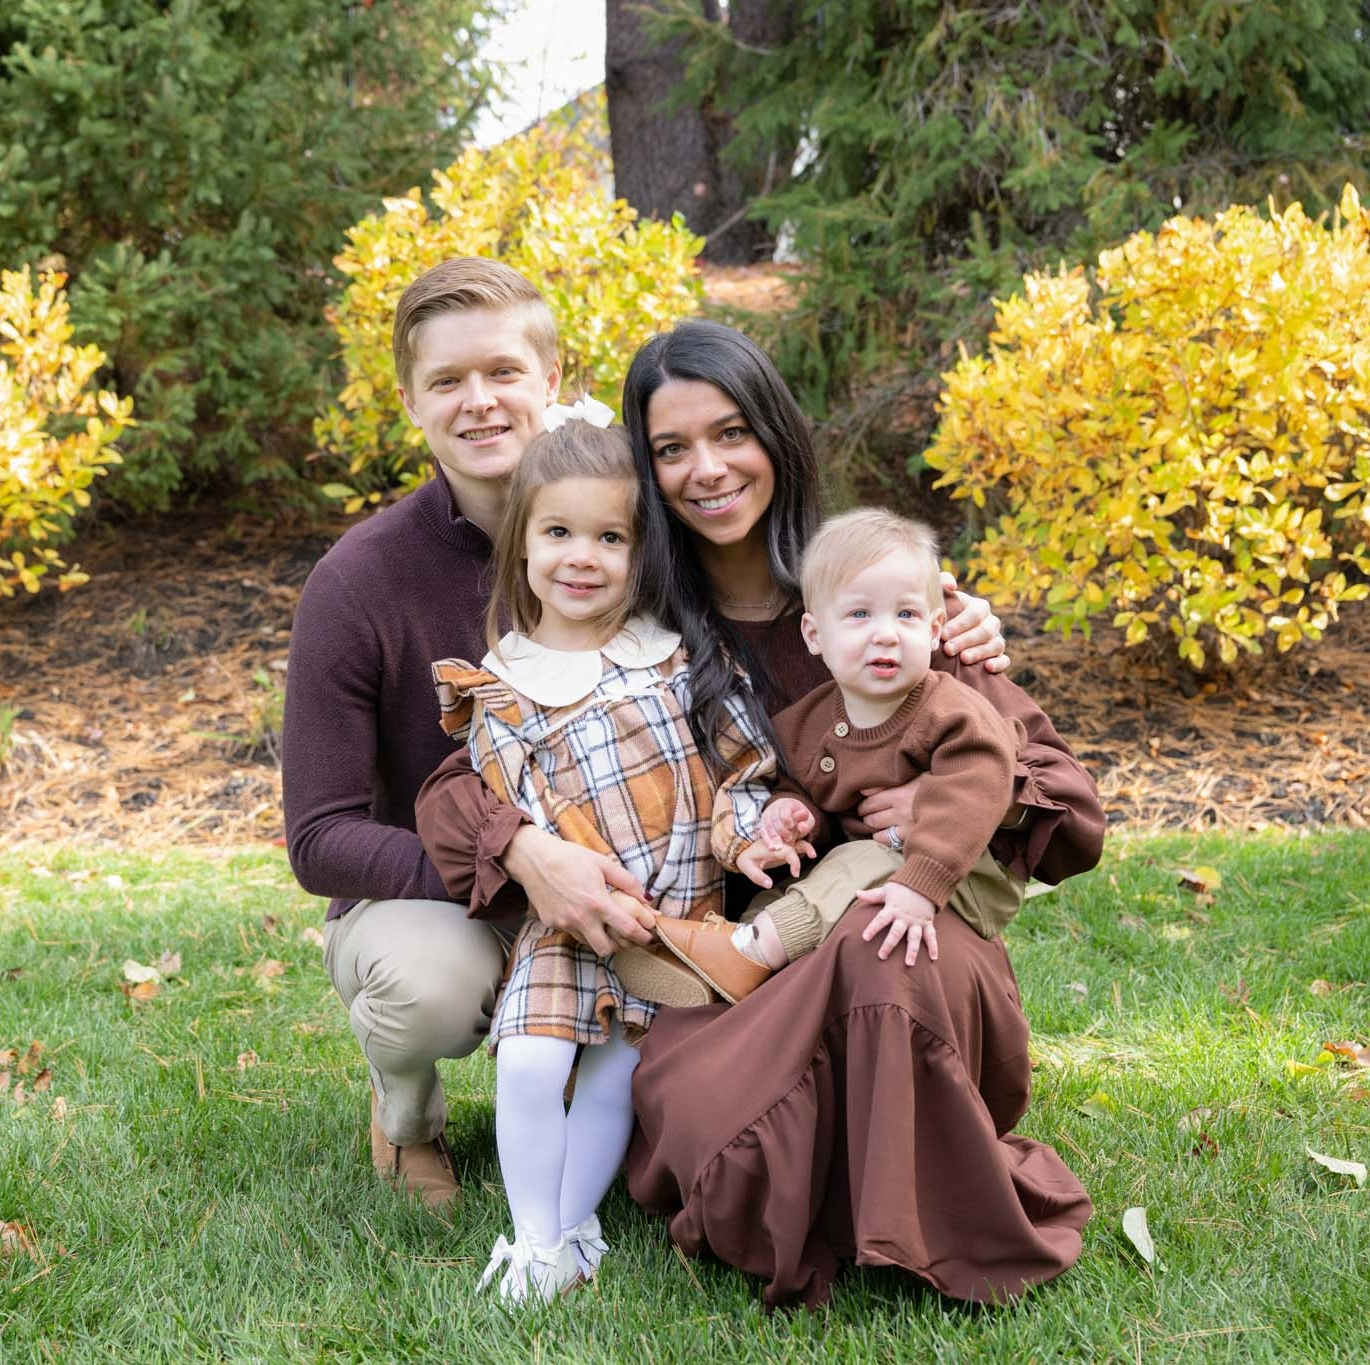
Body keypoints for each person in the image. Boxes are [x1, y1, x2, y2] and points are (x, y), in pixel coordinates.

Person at [283, 257, 1007, 1214]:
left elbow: (761, 656)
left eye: (503, 372)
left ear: (554, 378)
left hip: (651, 889)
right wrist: (519, 863)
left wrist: (918, 621)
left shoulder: (651, 539)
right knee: (430, 983)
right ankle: (408, 1112)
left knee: (665, 1090)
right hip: (456, 898)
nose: (480, 402)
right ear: (410, 399)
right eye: (448, 381)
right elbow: (319, 837)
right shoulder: (359, 581)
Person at [415, 316, 1106, 1308]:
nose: (705, 468)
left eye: (730, 432)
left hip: (903, 933)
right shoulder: (631, 625)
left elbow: (1071, 817)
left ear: (777, 436)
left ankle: (926, 1223)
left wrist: (957, 801)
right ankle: (827, 1182)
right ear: (643, 475)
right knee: (696, 1113)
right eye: (669, 448)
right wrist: (525, 850)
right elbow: (458, 781)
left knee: (880, 947)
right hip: (729, 959)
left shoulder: (881, 601)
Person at [426, 416, 779, 1301]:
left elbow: (738, 774)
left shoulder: (672, 658)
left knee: (620, 1072)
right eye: (558, 532)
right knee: (530, 1063)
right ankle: (530, 1236)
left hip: (673, 925)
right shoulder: (502, 686)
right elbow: (512, 813)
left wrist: (752, 835)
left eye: (609, 537)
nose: (582, 556)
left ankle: (574, 1229)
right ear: (522, 545)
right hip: (571, 918)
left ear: (640, 550)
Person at [621, 506, 1025, 1006]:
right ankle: (729, 964)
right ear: (815, 635)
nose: (885, 633)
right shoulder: (806, 722)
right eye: (860, 614)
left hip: (962, 876)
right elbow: (803, 788)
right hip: (873, 872)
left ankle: (747, 955)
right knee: (783, 900)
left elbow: (980, 782)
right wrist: (794, 815)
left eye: (906, 614)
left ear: (936, 627)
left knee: (859, 859)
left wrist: (921, 887)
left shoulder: (952, 708)